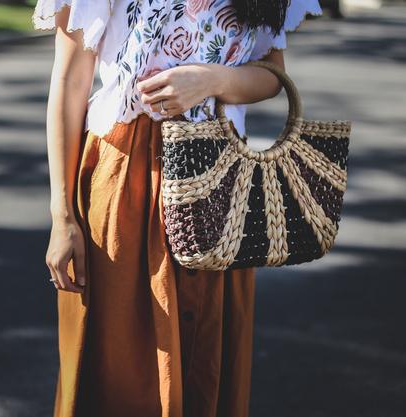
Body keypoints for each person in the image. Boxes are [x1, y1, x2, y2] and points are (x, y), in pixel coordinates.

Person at [31, 0, 323, 416]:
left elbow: (272, 73)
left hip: (219, 182)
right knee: (120, 363)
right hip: (125, 177)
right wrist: (62, 216)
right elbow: (69, 79)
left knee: (204, 354)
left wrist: (212, 80)